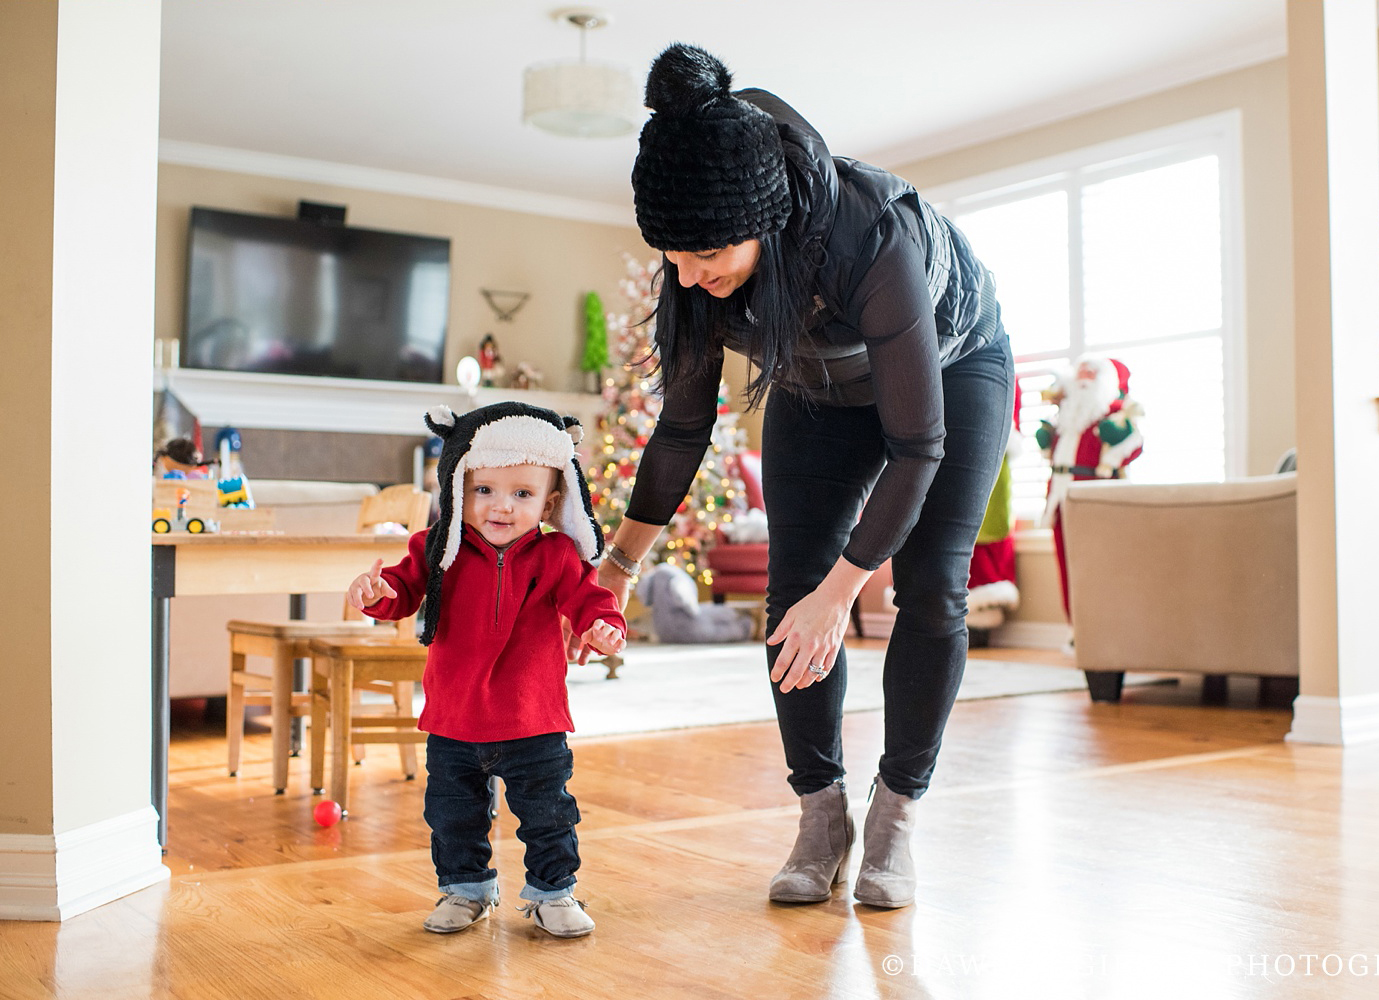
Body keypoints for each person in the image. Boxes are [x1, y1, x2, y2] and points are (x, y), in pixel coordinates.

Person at [596, 44, 1014, 909]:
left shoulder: (871, 232)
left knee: (932, 588)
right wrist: (616, 566)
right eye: (672, 253)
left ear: (766, 220)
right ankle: (822, 814)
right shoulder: (693, 270)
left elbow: (917, 446)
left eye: (706, 251)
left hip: (953, 370)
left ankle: (895, 811)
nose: (687, 273)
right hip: (819, 383)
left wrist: (845, 590)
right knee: (789, 592)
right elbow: (681, 428)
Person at [348, 401, 626, 938]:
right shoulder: (436, 552)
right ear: (458, 489)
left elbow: (589, 599)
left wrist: (602, 625)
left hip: (534, 720)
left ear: (550, 502)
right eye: (484, 491)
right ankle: (466, 888)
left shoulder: (558, 556)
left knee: (549, 816)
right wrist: (377, 594)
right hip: (454, 720)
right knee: (453, 817)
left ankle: (553, 892)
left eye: (522, 494)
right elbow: (402, 592)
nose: (501, 507)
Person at [1036, 356, 1143, 618]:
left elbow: (1133, 446)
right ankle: (1076, 628)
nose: (1083, 377)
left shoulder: (1112, 413)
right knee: (1066, 565)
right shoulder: (1065, 416)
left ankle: (1101, 626)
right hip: (1060, 496)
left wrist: (1120, 435)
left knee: (1097, 564)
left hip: (1093, 500)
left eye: (1091, 373)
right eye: (1080, 372)